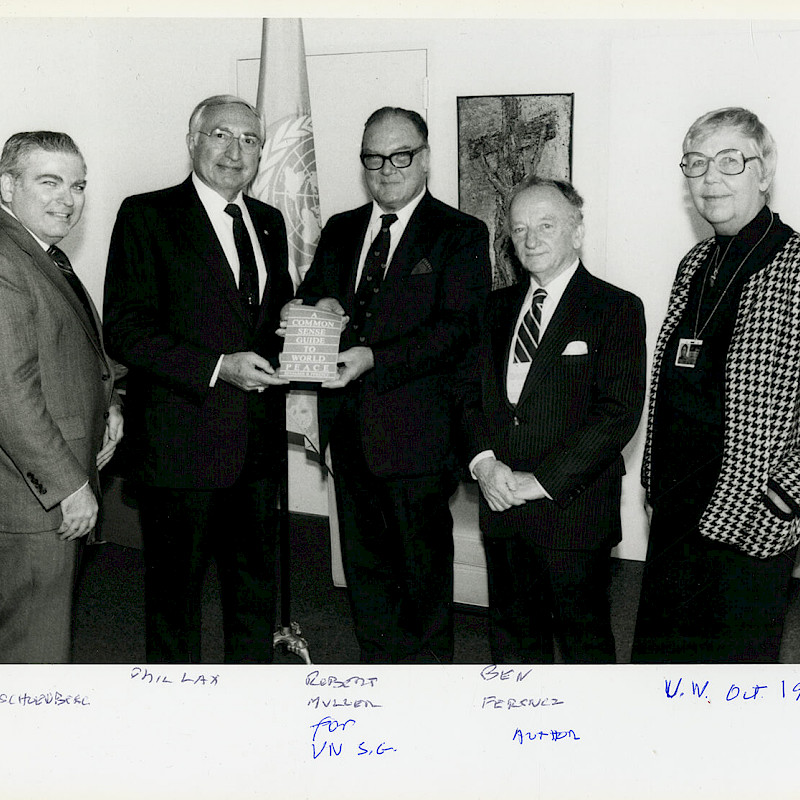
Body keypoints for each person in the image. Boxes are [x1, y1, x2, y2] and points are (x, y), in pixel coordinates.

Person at [293, 106, 490, 663]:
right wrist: (317, 306)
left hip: (419, 440)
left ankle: (428, 693)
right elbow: (309, 293)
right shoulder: (340, 228)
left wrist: (372, 356)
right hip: (348, 435)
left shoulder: (460, 233)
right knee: (365, 574)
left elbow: (457, 330)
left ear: (424, 158)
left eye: (400, 156)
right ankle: (377, 679)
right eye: (373, 158)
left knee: (422, 580)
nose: (386, 169)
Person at [103, 95, 294, 663]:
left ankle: (250, 707)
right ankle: (177, 718)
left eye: (250, 140)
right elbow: (126, 329)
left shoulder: (270, 221)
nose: (236, 152)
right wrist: (217, 368)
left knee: (254, 596)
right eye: (221, 136)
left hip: (257, 449)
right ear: (193, 142)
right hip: (180, 447)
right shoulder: (147, 214)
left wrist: (308, 323)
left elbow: (267, 319)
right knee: (174, 603)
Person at [632, 107, 800, 663]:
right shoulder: (694, 262)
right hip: (678, 505)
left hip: (752, 509)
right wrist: (653, 478)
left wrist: (784, 498)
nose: (710, 179)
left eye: (730, 161)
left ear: (765, 170)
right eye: (697, 164)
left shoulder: (797, 264)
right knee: (662, 665)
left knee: (733, 679)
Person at [462, 176, 646, 664]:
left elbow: (618, 414)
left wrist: (539, 481)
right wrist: (483, 463)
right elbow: (467, 397)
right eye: (519, 229)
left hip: (574, 510)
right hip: (501, 504)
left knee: (583, 642)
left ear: (577, 232)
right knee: (512, 637)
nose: (531, 239)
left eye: (546, 225)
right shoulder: (493, 309)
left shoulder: (616, 308)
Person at [0, 131, 123, 663]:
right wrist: (70, 487)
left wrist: (110, 404)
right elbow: (10, 391)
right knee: (34, 648)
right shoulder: (7, 260)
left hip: (44, 485)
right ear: (7, 186)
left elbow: (71, 352)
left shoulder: (39, 253)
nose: (68, 200)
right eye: (49, 182)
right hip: (36, 497)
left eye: (77, 186)